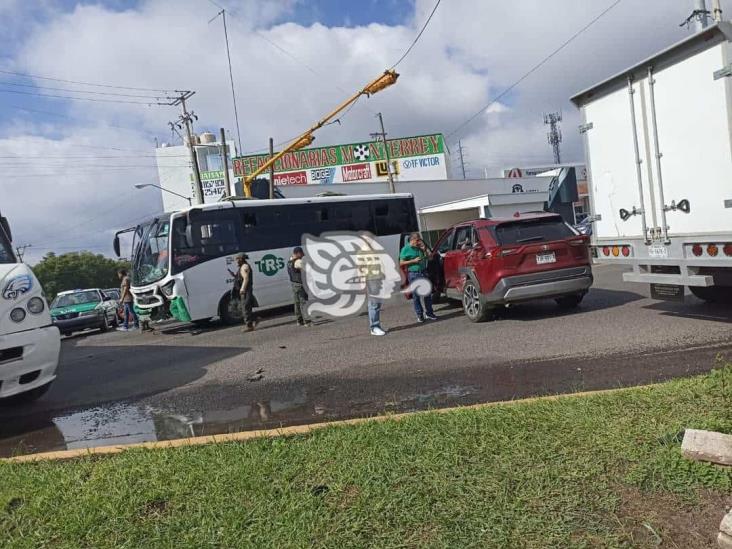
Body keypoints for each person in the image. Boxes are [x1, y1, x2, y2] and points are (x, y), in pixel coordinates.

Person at [399, 233, 438, 323]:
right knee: (416, 296)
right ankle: (420, 315)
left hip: (423, 272)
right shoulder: (405, 249)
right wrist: (413, 261)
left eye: (419, 240)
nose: (419, 242)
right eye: (417, 240)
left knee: (427, 294)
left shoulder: (421, 246)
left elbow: (431, 258)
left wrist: (425, 249)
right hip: (414, 274)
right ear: (412, 240)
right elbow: (401, 263)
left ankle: (429, 313)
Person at [358, 246, 387, 336]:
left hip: (379, 279)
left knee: (377, 303)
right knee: (374, 303)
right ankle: (374, 327)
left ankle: (376, 326)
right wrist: (362, 282)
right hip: (371, 279)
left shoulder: (375, 250)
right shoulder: (362, 252)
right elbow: (360, 268)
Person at [287, 246, 311, 326]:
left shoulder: (289, 262)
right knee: (303, 302)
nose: (303, 255)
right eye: (302, 253)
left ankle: (299, 320)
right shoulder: (298, 261)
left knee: (296, 303)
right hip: (300, 284)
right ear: (298, 253)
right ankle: (307, 321)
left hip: (293, 284)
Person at [232, 253, 255, 332]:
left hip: (246, 290)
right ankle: (255, 319)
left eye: (238, 259)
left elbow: (246, 278)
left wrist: (242, 289)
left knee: (245, 307)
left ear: (241, 259)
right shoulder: (242, 267)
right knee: (247, 306)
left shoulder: (244, 266)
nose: (236, 261)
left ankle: (249, 326)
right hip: (246, 289)